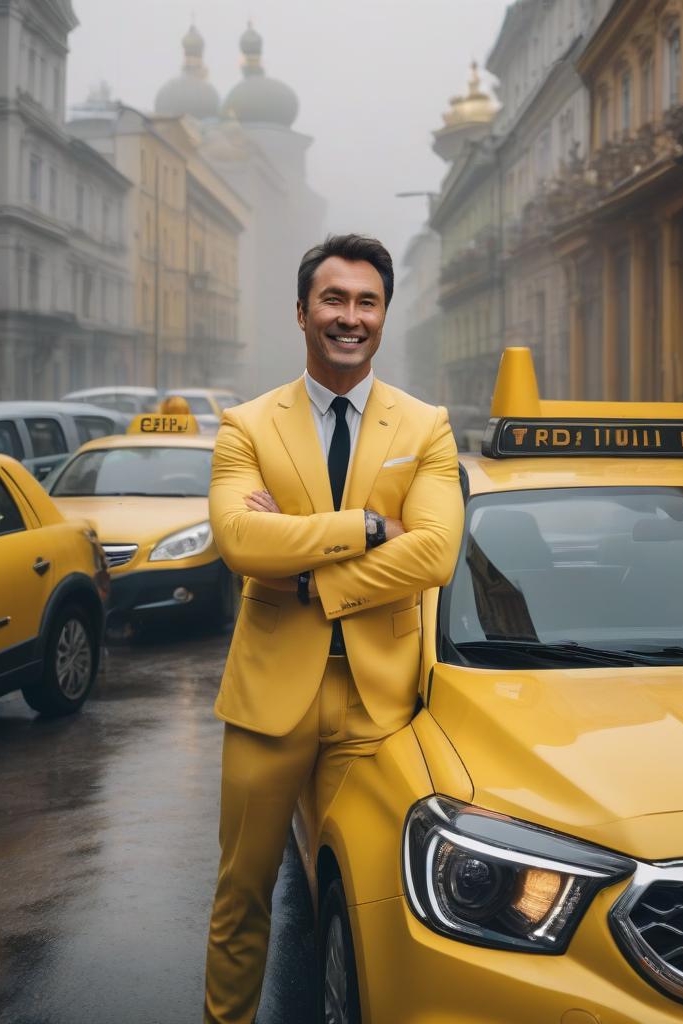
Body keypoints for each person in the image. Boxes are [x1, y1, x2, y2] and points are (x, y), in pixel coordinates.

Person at [204, 233, 465, 1023]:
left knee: (371, 905)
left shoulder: (425, 426)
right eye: (334, 299)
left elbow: (438, 554)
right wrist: (366, 526)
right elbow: (240, 542)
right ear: (302, 312)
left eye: (366, 302)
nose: (349, 317)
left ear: (383, 315)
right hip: (267, 701)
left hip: (378, 706)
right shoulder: (247, 424)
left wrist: (309, 578)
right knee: (241, 894)